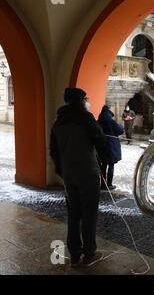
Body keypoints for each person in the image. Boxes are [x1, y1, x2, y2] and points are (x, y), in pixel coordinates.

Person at [50, 87, 106, 267]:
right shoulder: (85, 118)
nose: (86, 101)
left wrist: (62, 171)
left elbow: (53, 151)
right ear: (81, 101)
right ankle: (89, 252)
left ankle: (74, 254)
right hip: (88, 173)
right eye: (85, 99)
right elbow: (101, 140)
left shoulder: (57, 123)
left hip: (69, 175)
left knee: (74, 215)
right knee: (89, 214)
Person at [97, 106, 124, 190]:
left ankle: (103, 184)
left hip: (101, 146)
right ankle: (109, 184)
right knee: (111, 166)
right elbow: (120, 131)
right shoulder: (111, 121)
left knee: (103, 166)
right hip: (111, 147)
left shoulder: (98, 122)